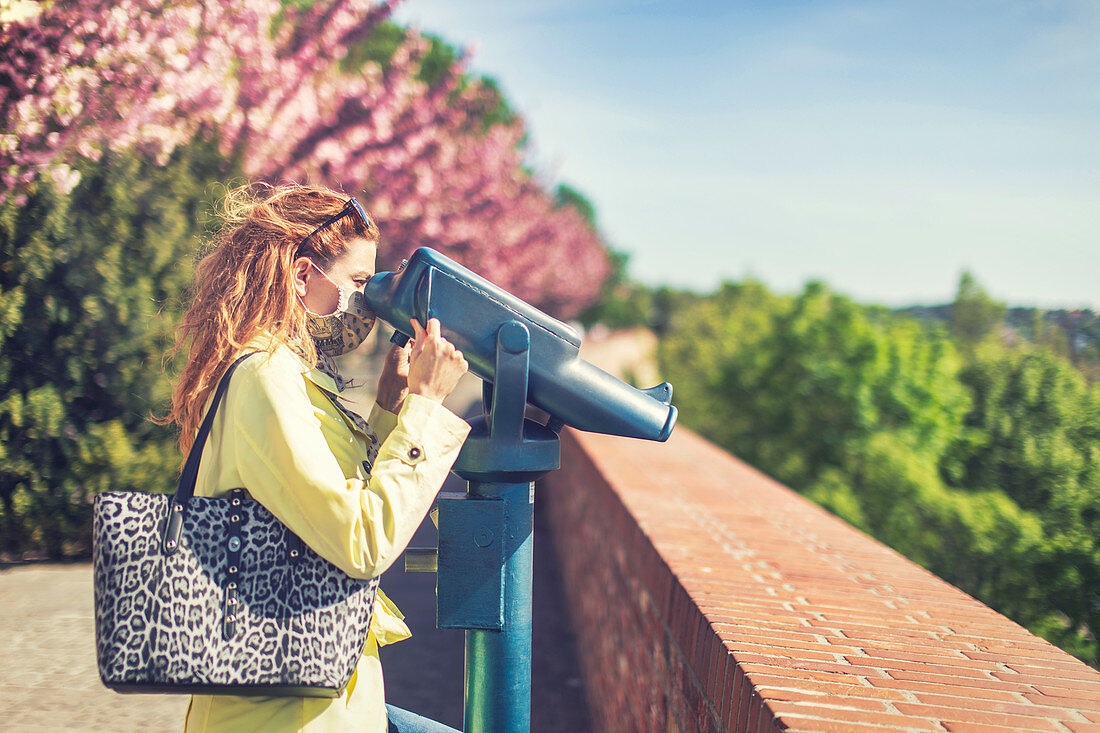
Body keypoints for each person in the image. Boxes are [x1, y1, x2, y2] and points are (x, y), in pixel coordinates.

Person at [161, 182, 470, 732]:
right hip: (286, 711)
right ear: (302, 276)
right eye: (357, 282)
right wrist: (426, 406)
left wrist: (388, 410)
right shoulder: (265, 377)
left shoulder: (282, 372)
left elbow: (326, 503)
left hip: (308, 696)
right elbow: (360, 540)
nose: (365, 302)